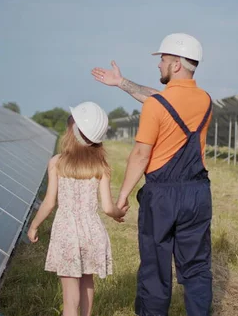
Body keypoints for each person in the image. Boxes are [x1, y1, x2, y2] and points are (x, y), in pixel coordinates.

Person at [91, 33, 214, 316]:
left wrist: (121, 198)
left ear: (175, 65)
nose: (159, 65)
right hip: (198, 193)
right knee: (197, 267)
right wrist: (121, 82)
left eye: (163, 59)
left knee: (155, 268)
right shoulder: (205, 100)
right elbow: (159, 97)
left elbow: (140, 155)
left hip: (162, 195)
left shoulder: (156, 106)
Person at [27, 101, 129, 316]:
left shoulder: (57, 162)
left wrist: (34, 225)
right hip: (92, 233)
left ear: (72, 131)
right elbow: (109, 208)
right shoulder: (101, 166)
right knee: (87, 282)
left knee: (69, 300)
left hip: (67, 234)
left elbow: (49, 202)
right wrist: (120, 214)